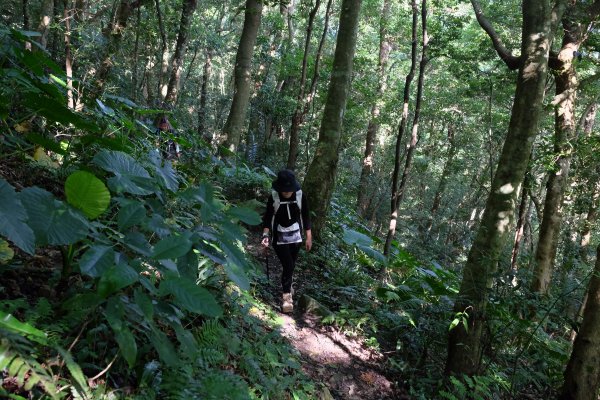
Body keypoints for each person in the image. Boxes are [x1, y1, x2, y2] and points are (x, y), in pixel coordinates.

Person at [261, 169, 312, 313]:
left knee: (291, 265)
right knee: (288, 265)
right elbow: (268, 217)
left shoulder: (300, 195)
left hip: (296, 237)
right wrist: (265, 236)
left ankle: (287, 284)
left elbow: (306, 216)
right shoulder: (274, 196)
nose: (286, 192)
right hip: (279, 236)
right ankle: (286, 298)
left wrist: (309, 237)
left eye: (289, 190)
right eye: (284, 190)